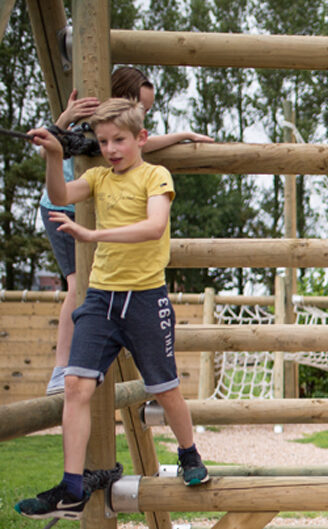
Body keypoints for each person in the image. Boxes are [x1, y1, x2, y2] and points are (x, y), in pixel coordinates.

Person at [17, 98, 210, 521]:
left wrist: (91, 232)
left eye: (119, 139)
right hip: (102, 298)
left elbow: (154, 226)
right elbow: (59, 194)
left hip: (145, 299)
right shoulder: (99, 178)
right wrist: (54, 154)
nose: (110, 149)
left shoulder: (154, 175)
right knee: (76, 386)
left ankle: (189, 454)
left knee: (165, 387)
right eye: (103, 141)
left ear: (140, 138)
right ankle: (71, 487)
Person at [41, 67, 213, 395]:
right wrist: (63, 118)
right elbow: (51, 149)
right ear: (122, 99)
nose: (111, 146)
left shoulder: (121, 138)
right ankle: (61, 368)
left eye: (147, 112)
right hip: (62, 207)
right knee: (78, 284)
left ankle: (107, 372)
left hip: (86, 207)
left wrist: (183, 135)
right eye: (142, 107)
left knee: (96, 285)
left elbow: (144, 141)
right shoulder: (93, 121)